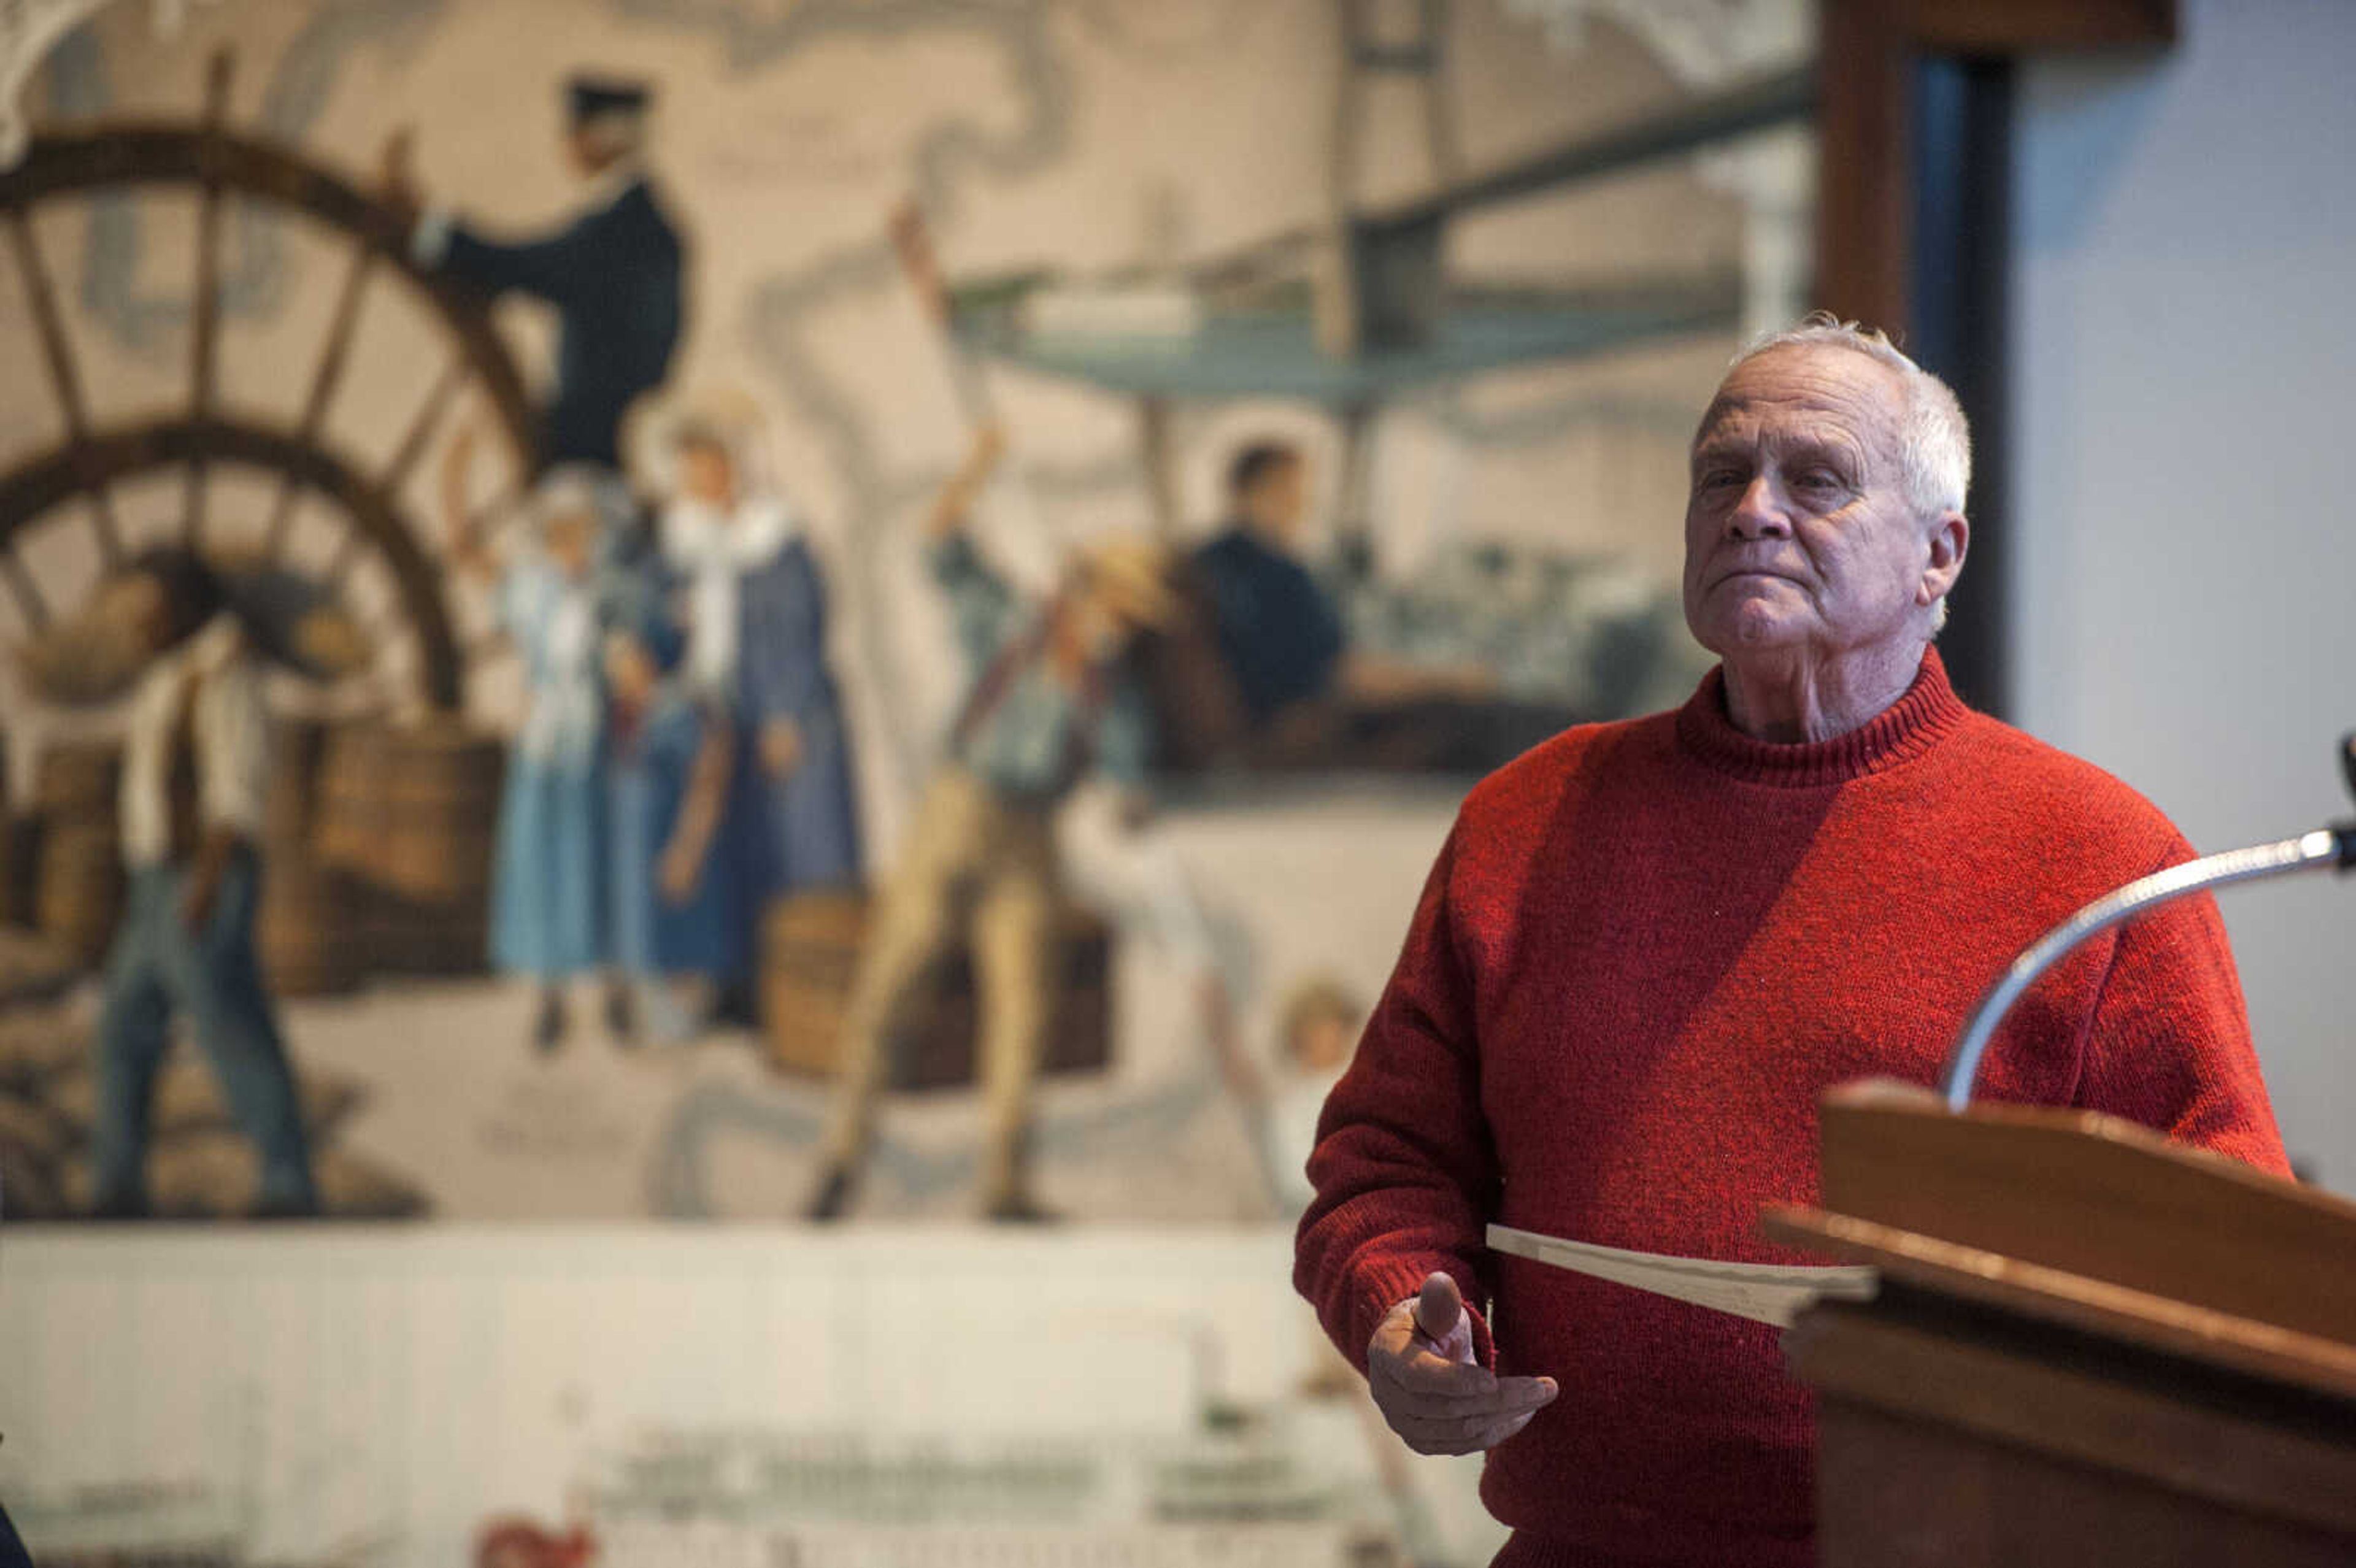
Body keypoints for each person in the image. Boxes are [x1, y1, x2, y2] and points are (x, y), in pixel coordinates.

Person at [1294, 318, 2291, 1567]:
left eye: (1815, 479)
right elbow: (1385, 1163)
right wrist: (1399, 1321)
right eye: (1723, 475)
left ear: (1940, 553)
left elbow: (2232, 1238)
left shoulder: (2100, 856)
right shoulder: (1528, 819)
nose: (1753, 511)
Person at [804, 424, 1171, 1223]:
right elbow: (940, 550)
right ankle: (840, 1159)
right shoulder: (1013, 625)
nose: (1123, 621)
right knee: (892, 981)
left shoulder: (1112, 688)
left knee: (1023, 1006)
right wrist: (975, 468)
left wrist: (1135, 802)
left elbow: (1127, 763)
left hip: (1031, 838)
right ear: (1086, 589)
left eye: (1133, 613)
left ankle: (1003, 1182)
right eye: (1117, 601)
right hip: (958, 812)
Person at [17, 547, 366, 1219]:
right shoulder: (170, 675)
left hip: (199, 877)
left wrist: (203, 889)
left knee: (228, 1026)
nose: (140, 624)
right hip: (157, 883)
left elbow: (236, 795)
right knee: (123, 1030)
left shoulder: (228, 678)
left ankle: (288, 1181)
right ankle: (119, 1186)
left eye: (151, 609)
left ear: (185, 607)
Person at [651, 391, 864, 992]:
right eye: (691, 471)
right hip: (726, 718)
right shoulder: (688, 544)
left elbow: (799, 632)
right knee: (738, 854)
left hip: (788, 720)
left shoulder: (777, 543)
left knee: (802, 852)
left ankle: (814, 984)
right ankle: (741, 984)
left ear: (736, 468)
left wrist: (783, 716)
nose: (700, 481)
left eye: (711, 467)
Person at [444, 430, 639, 1050]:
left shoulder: (612, 592)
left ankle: (615, 991)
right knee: (543, 863)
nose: (573, 541)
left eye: (583, 529)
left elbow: (635, 660)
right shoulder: (531, 588)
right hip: (543, 747)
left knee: (601, 864)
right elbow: (471, 558)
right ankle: (552, 995)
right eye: (562, 530)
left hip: (596, 747)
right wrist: (457, 472)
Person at [385, 74, 685, 471]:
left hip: (595, 448)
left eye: (573, 132)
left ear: (600, 138)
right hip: (611, 442)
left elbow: (521, 267)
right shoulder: (638, 221)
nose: (565, 145)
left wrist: (429, 223)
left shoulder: (624, 228)